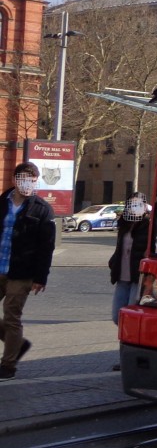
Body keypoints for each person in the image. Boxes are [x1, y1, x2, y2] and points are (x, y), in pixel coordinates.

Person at [0, 162, 57, 380]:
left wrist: (41, 278)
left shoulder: (42, 209)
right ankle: (18, 344)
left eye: (32, 179)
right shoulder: (2, 202)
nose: (27, 183)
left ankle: (8, 365)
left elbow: (47, 246)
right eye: (23, 178)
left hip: (21, 272)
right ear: (14, 180)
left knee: (12, 316)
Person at [108, 193, 151, 370]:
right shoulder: (124, 224)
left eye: (138, 204)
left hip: (136, 278)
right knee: (117, 316)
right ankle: (126, 357)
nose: (134, 207)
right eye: (132, 204)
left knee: (131, 320)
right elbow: (120, 248)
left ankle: (128, 359)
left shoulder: (148, 225)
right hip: (122, 277)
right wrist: (113, 262)